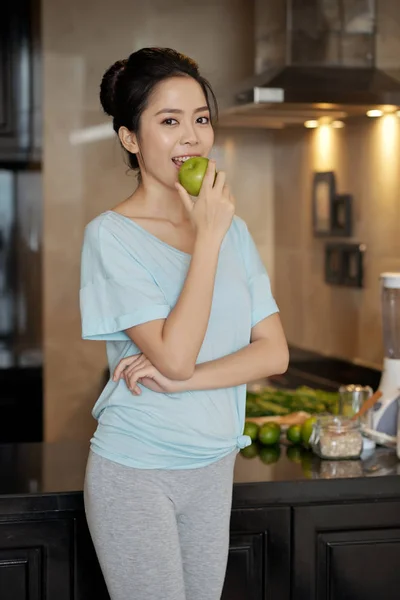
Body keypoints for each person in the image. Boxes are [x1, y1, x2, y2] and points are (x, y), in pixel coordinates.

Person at [79, 47, 289, 600]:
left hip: (215, 465)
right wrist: (209, 237)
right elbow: (172, 354)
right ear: (130, 137)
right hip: (138, 471)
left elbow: (273, 353)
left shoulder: (231, 229)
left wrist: (186, 380)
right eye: (169, 121)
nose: (191, 137)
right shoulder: (111, 237)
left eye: (200, 118)